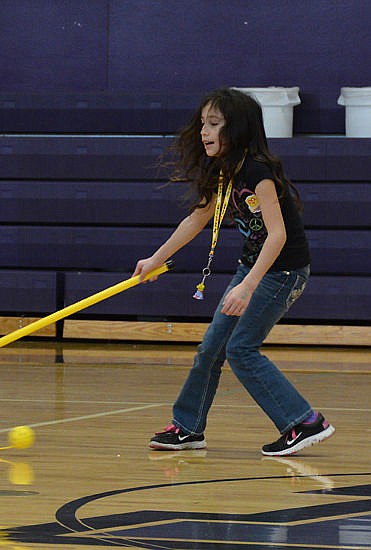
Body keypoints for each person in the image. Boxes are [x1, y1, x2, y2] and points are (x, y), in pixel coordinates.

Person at [137, 88, 333, 457]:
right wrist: (155, 260)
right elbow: (197, 217)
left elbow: (278, 235)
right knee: (211, 348)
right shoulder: (223, 169)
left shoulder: (258, 172)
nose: (204, 132)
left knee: (241, 349)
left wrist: (248, 286)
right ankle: (188, 428)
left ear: (237, 128)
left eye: (214, 124)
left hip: (282, 272)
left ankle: (302, 421)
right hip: (254, 268)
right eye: (202, 124)